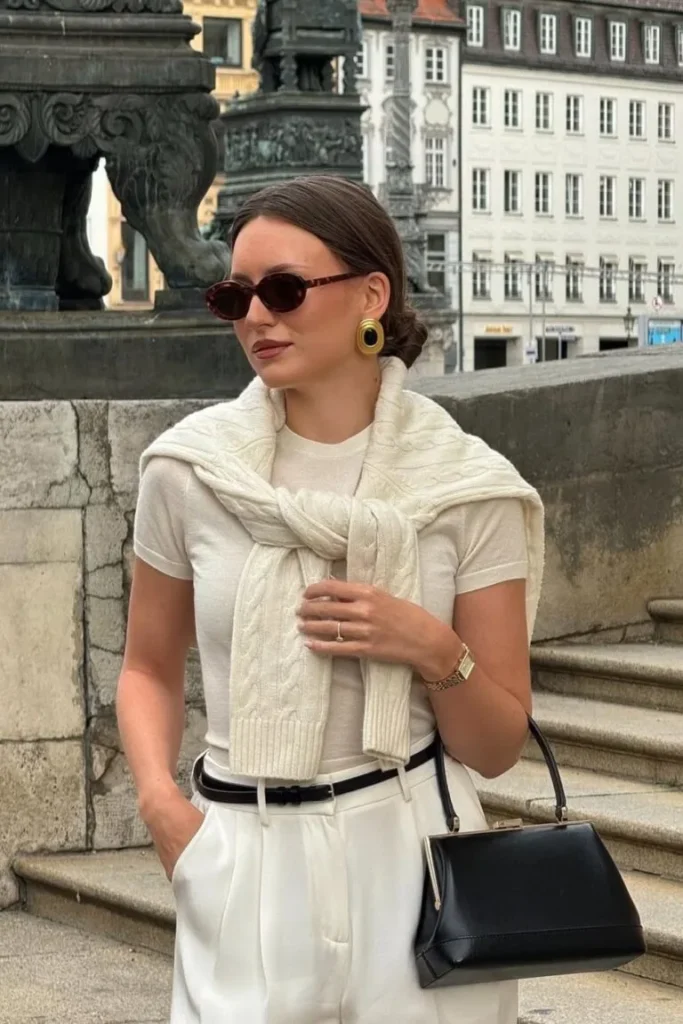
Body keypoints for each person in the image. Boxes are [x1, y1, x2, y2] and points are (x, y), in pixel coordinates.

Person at [116, 174, 544, 1024]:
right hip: (242, 846)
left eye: (282, 290)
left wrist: (428, 646)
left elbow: (495, 748)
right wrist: (165, 811)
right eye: (234, 294)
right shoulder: (186, 471)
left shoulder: (466, 489)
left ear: (371, 295)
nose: (255, 317)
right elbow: (148, 667)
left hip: (413, 849)